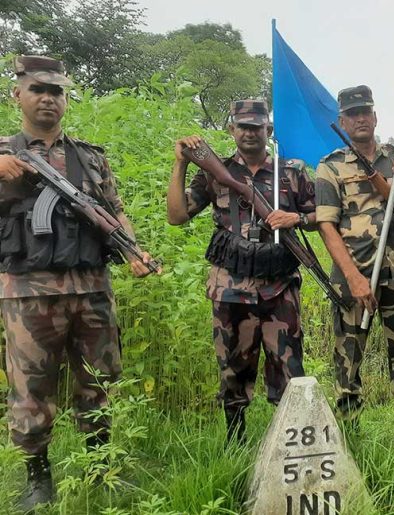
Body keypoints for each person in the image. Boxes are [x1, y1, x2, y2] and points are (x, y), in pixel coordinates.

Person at [0, 55, 158, 511]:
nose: (48, 99)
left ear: (67, 99)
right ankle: (37, 480)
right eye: (38, 90)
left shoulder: (88, 158)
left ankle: (100, 468)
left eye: (57, 92)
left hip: (91, 288)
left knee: (100, 382)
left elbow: (113, 208)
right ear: (18, 94)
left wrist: (132, 251)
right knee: (31, 389)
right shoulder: (4, 150)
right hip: (28, 291)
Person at [167, 99, 314, 445]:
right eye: (243, 126)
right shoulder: (215, 171)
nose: (250, 133)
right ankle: (236, 442)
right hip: (230, 288)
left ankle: (289, 445)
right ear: (231, 128)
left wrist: (298, 218)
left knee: (289, 368)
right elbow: (176, 216)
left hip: (279, 288)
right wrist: (180, 165)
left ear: (269, 130)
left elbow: (321, 214)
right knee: (233, 368)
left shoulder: (290, 171)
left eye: (257, 126)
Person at [314, 85, 394, 450]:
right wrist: (353, 278)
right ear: (342, 121)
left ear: (376, 116)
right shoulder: (329, 166)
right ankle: (348, 433)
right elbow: (326, 226)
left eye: (366, 111)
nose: (360, 118)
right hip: (354, 275)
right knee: (348, 356)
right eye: (352, 114)